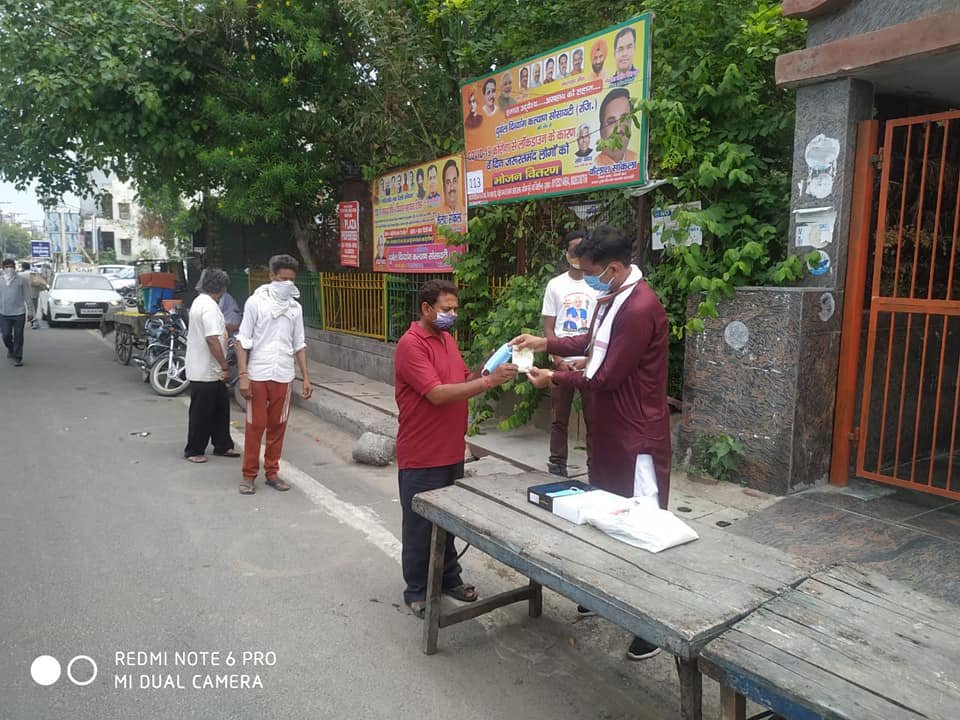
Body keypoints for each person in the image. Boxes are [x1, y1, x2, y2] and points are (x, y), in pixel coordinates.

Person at [512, 225, 671, 662]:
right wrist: (544, 342)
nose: (589, 279)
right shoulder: (612, 296)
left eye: (594, 272)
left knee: (644, 525)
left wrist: (553, 377)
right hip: (608, 429)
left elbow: (605, 375)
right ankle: (606, 596)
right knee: (606, 514)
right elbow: (589, 342)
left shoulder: (639, 307)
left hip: (636, 434)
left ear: (614, 268)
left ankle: (652, 625)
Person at [394, 279, 517, 617]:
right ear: (426, 308)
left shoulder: (447, 340)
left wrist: (492, 364)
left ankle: (449, 578)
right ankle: (417, 589)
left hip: (450, 450)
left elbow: (463, 381)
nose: (452, 314)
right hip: (421, 454)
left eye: (455, 308)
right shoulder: (411, 345)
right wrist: (488, 382)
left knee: (449, 523)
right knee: (419, 527)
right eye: (446, 309)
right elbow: (436, 393)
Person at [235, 254, 313, 495]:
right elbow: (242, 341)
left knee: (278, 426)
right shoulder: (255, 302)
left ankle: (272, 472)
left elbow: (298, 343)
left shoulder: (295, 308)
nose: (287, 284)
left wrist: (306, 377)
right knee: (255, 426)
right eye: (282, 279)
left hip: (284, 375)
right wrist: (244, 375)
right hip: (258, 373)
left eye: (291, 279)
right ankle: (249, 475)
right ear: (271, 276)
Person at [541, 230, 597, 477]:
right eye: (575, 250)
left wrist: (591, 357)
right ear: (567, 254)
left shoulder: (598, 284)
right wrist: (557, 359)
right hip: (561, 362)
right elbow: (549, 326)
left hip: (591, 361)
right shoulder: (555, 285)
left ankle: (595, 467)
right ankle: (557, 464)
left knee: (594, 419)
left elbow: (602, 328)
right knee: (559, 418)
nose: (578, 255)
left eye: (583, 249)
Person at [184, 269, 238, 464]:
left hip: (209, 370)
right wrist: (225, 366)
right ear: (223, 288)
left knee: (220, 409)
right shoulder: (210, 307)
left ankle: (223, 444)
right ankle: (194, 449)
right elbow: (212, 339)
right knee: (202, 412)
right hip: (206, 369)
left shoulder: (201, 301)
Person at [1, 258, 33, 366]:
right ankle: (11, 348)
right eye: (7, 267)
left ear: (15, 268)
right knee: (6, 335)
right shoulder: (0, 280)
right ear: (3, 268)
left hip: (19, 313)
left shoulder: (21, 280)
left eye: (11, 266)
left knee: (19, 335)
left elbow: (28, 297)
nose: (9, 269)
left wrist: (30, 312)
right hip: (4, 313)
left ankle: (18, 357)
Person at [594, 88, 638, 166]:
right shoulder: (593, 165)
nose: (618, 129)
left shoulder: (636, 159)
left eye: (624, 119)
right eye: (611, 122)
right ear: (601, 130)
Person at [20, 262, 46, 329]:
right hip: (35, 293)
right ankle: (34, 321)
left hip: (25, 294)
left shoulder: (21, 275)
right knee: (35, 307)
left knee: (29, 308)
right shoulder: (34, 273)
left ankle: (34, 321)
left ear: (23, 267)